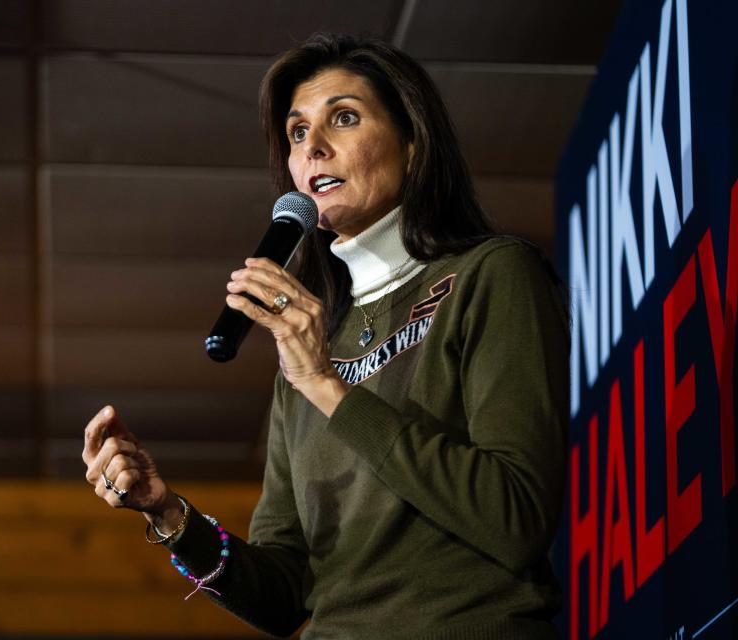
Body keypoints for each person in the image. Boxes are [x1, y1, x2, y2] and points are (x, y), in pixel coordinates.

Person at [82, 33, 568, 639]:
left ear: (413, 146)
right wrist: (171, 514)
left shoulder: (492, 275)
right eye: (296, 132)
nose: (313, 146)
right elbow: (284, 594)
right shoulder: (311, 343)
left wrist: (328, 387)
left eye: (343, 118)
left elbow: (516, 518)